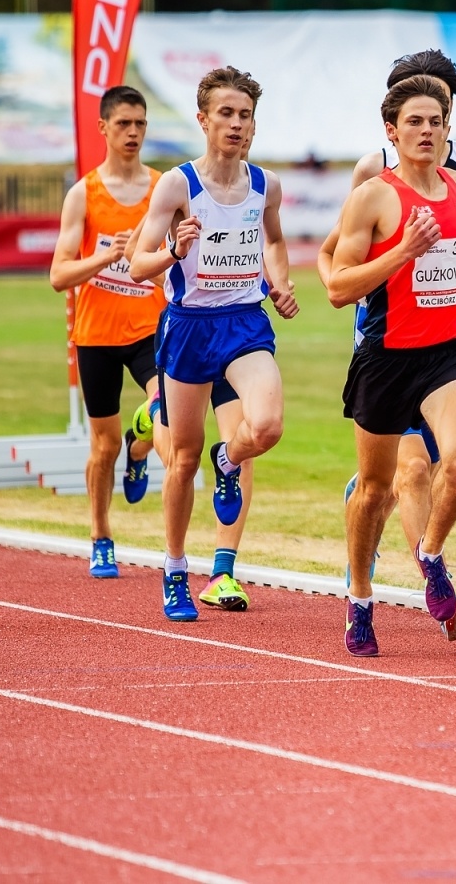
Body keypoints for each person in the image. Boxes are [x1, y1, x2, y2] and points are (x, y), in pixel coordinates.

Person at [316, 50, 456, 588]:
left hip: (451, 338)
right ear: (391, 120)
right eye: (410, 109)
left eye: (436, 109)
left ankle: (426, 561)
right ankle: (382, 575)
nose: (424, 122)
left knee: (446, 466)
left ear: (450, 109)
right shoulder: (373, 174)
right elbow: (333, 260)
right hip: (386, 339)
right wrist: (389, 266)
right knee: (399, 475)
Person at [127, 66, 299, 621]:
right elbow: (136, 266)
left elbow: (273, 239)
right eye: (225, 113)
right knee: (181, 459)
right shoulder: (179, 185)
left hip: (245, 322)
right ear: (203, 120)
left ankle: (230, 459)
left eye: (245, 115)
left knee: (267, 425)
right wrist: (174, 253)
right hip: (189, 327)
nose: (236, 124)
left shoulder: (266, 185)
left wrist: (279, 280)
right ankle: (175, 571)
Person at [48, 85, 165, 578]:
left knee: (166, 416)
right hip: (97, 335)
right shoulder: (84, 194)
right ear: (104, 128)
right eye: (124, 124)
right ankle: (100, 535)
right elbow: (58, 276)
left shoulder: (164, 188)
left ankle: (141, 451)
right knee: (103, 445)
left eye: (140, 123)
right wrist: (107, 255)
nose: (133, 133)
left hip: (150, 328)